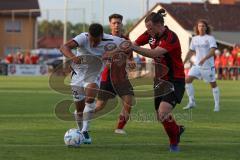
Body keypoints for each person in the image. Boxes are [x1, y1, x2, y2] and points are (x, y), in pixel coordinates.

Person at [60, 23, 125, 144]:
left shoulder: (111, 39)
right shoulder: (83, 37)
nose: (93, 44)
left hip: (94, 74)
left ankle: (85, 130)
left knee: (90, 98)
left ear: (102, 36)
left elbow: (127, 44)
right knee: (79, 111)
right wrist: (73, 58)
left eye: (96, 41)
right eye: (91, 40)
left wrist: (112, 53)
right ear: (88, 35)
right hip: (77, 75)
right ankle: (80, 131)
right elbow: (64, 47)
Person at [132, 9, 185, 152]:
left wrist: (133, 48)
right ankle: (177, 129)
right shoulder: (150, 34)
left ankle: (174, 144)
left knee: (163, 112)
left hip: (175, 80)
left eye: (150, 28)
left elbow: (155, 53)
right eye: (147, 28)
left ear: (160, 24)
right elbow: (133, 43)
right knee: (160, 116)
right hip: (159, 81)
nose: (148, 31)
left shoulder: (171, 37)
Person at [94, 14, 135, 135]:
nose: (116, 25)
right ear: (110, 25)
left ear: (122, 24)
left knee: (129, 101)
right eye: (114, 23)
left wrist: (131, 62)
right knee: (100, 106)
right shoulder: (104, 40)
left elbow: (130, 58)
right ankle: (82, 117)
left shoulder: (126, 41)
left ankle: (119, 128)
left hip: (121, 78)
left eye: (118, 23)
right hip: (107, 77)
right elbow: (100, 56)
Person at [183, 19, 220, 112]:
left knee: (213, 85)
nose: (201, 27)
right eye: (199, 26)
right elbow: (191, 51)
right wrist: (183, 62)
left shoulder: (210, 38)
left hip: (208, 66)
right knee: (187, 80)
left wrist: (204, 58)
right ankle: (192, 102)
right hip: (197, 66)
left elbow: (212, 51)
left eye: (203, 26)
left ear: (206, 28)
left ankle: (217, 105)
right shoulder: (195, 39)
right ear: (197, 28)